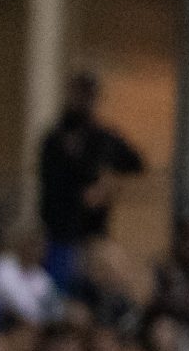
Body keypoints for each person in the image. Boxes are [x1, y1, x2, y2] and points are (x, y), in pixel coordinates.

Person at [35, 71, 144, 288]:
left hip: (93, 234)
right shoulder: (55, 139)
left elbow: (136, 164)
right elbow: (50, 184)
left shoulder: (103, 138)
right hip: (60, 233)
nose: (83, 99)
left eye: (87, 94)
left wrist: (108, 186)